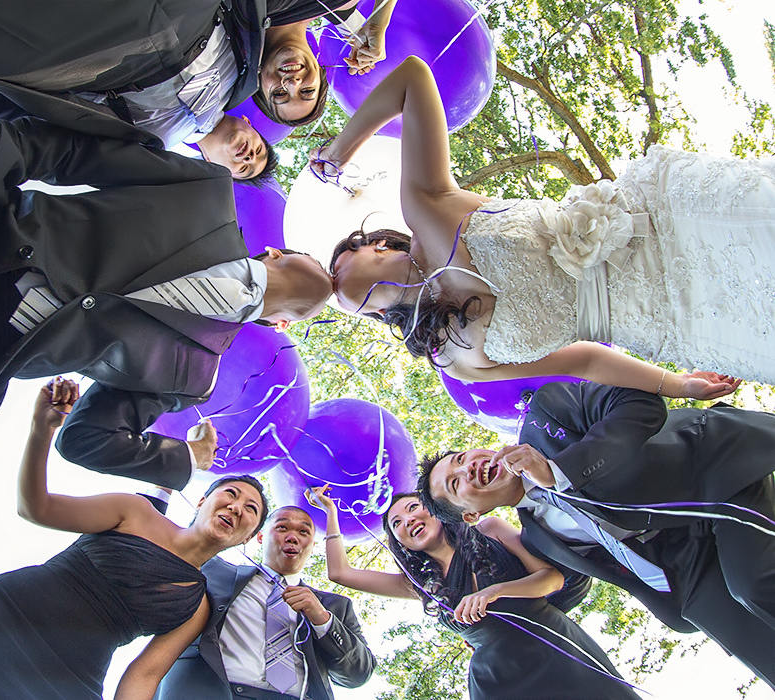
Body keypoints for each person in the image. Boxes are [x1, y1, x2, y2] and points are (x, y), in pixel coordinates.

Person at [0, 116, 334, 495]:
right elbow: (78, 153)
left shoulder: (195, 379)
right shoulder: (208, 189)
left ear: (279, 325)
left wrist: (185, 460)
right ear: (276, 252)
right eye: (316, 259)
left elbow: (86, 439)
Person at [321, 56, 775, 389]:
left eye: (336, 263)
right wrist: (679, 386)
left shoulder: (427, 206)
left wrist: (339, 150)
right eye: (336, 299)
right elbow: (583, 363)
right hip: (675, 321)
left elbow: (412, 78)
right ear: (374, 314)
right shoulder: (456, 361)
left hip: (667, 227)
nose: (333, 284)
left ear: (375, 246)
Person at [0, 379, 270, 700]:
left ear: (250, 537)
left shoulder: (196, 607)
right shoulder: (135, 511)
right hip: (0, 621)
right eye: (232, 494)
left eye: (251, 509)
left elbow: (144, 676)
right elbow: (37, 508)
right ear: (204, 500)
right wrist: (41, 430)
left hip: (70, 678)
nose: (237, 507)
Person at [420, 380, 775, 689]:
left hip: (716, 474)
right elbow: (555, 584)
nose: (468, 468)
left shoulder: (545, 415)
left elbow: (641, 402)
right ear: (471, 515)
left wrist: (560, 471)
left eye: (461, 458)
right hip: (685, 559)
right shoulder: (538, 538)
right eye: (456, 483)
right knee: (736, 630)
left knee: (753, 585)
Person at [0, 0, 397, 180]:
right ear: (249, 111)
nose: (246, 154)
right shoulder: (242, 62)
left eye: (242, 168)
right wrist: (370, 23)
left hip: (69, 59)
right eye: (259, 149)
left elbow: (52, 144)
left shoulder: (150, 152)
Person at [305, 486, 638, 699]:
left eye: (412, 508)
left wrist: (495, 592)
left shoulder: (488, 530)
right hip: (496, 679)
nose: (407, 520)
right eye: (396, 524)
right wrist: (330, 513)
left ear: (433, 509)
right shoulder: (419, 585)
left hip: (556, 647)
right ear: (400, 542)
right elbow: (340, 573)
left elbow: (551, 579)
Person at [155, 503, 376, 700]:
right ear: (260, 537)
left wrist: (323, 620)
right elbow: (164, 552)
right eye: (282, 528)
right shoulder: (214, 573)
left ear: (313, 545)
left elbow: (358, 674)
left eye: (303, 532)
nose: (292, 537)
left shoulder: (336, 606)